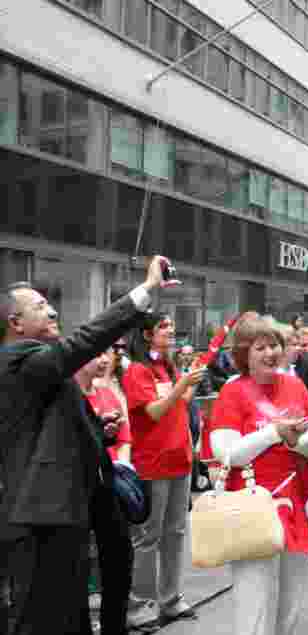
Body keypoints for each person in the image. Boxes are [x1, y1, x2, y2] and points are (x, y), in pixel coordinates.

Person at [0, 256, 172, 635]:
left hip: (68, 508)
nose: (53, 310)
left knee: (71, 610)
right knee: (45, 617)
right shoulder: (16, 361)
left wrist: (100, 431)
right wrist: (144, 292)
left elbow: (49, 426)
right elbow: (85, 340)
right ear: (15, 323)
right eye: (41, 306)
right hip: (41, 517)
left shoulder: (39, 365)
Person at [208, 317, 308, 635]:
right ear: (245, 353)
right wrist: (275, 433)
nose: (271, 352)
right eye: (261, 347)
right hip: (251, 508)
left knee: (293, 597)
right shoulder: (232, 391)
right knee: (253, 600)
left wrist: (294, 439)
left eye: (274, 345)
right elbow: (228, 453)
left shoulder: (295, 385)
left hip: (295, 504)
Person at [122, 311, 207, 629]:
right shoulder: (137, 371)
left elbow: (180, 402)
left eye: (172, 326)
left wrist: (190, 381)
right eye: (163, 327)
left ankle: (170, 600)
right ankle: (140, 607)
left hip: (180, 460)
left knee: (175, 534)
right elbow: (155, 412)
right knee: (149, 537)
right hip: (152, 464)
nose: (171, 332)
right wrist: (182, 384)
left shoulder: (167, 366)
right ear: (146, 335)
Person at [75, 349, 135, 635]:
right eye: (95, 354)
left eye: (106, 354)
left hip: (108, 483)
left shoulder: (109, 394)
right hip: (75, 487)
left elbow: (123, 438)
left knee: (119, 557)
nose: (103, 361)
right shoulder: (67, 396)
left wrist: (122, 466)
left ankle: (115, 625)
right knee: (78, 563)